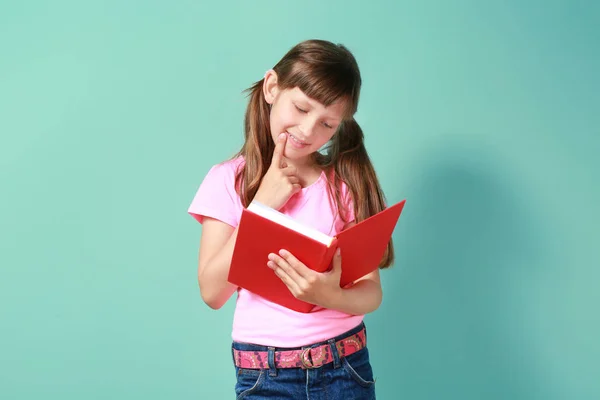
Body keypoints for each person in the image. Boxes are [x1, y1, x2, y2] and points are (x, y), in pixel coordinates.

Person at [188, 39, 394, 400]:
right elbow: (212, 291)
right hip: (265, 375)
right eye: (300, 108)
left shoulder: (342, 187)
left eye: (327, 124)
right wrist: (262, 206)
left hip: (344, 366)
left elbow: (371, 291)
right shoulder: (227, 181)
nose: (307, 130)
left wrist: (328, 295)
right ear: (271, 88)